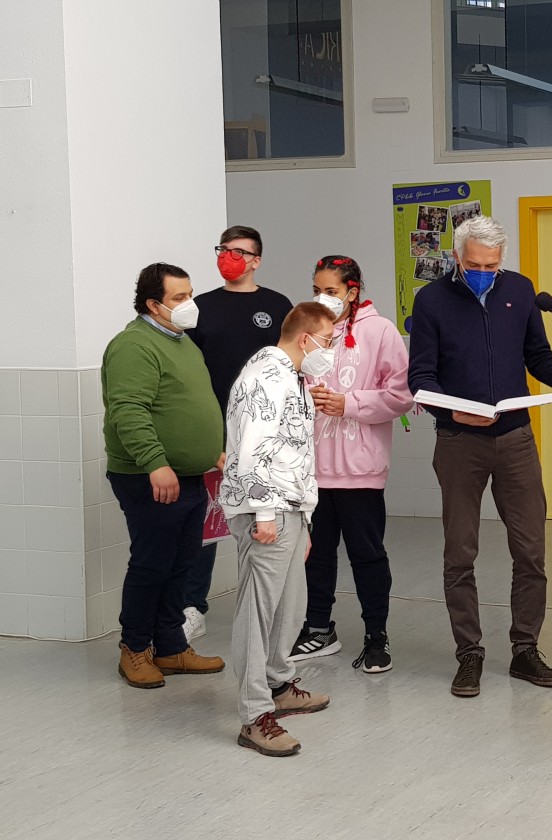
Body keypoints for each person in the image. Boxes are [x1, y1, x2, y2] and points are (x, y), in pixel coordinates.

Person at [407, 215, 552, 698]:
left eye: (492, 264)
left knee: (531, 550)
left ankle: (525, 649)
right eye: (475, 265)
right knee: (459, 554)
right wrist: (457, 413)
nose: (484, 271)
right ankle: (469, 653)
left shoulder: (520, 290)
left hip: (515, 439)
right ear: (457, 258)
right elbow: (420, 378)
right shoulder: (431, 301)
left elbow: (538, 355)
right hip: (459, 442)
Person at [220, 302, 337, 757]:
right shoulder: (265, 377)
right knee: (259, 609)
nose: (329, 350)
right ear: (304, 338)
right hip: (265, 508)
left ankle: (277, 682)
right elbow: (252, 449)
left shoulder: (291, 375)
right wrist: (265, 513)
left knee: (290, 602)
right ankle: (253, 714)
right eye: (326, 342)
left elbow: (292, 449)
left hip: (291, 506)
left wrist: (302, 518)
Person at [102, 263, 227, 689]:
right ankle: (135, 649)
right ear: (153, 304)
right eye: (178, 298)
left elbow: (191, 405)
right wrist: (156, 463)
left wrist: (215, 451)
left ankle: (171, 647)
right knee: (152, 564)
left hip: (191, 475)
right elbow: (128, 411)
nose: (189, 304)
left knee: (182, 563)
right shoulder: (134, 345)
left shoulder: (183, 342)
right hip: (149, 477)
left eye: (190, 294)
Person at [288, 256, 413, 672]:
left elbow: (401, 396)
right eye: (316, 289)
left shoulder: (380, 331)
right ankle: (318, 628)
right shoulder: (309, 329)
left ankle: (376, 635)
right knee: (317, 554)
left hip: (361, 470)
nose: (322, 298)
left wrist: (350, 404)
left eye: (331, 291)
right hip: (313, 470)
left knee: (367, 554)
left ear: (353, 290)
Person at [182, 225, 293, 643]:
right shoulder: (200, 307)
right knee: (206, 524)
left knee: (268, 520)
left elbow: (288, 363)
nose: (230, 257)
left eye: (239, 251)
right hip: (216, 434)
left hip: (266, 434)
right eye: (223, 250)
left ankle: (270, 608)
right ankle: (192, 607)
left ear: (256, 260)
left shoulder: (276, 304)